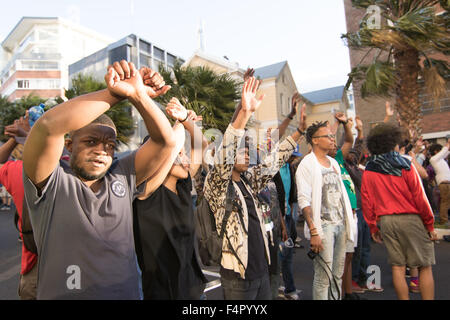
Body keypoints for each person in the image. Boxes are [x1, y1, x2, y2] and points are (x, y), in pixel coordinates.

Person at [22, 61, 176, 299]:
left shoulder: (122, 174)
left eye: (110, 145)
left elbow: (165, 142)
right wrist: (114, 93)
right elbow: (48, 126)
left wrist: (138, 96)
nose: (102, 151)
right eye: (91, 142)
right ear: (69, 145)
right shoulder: (51, 180)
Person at [203, 76, 305, 300]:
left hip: (262, 272)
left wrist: (299, 133)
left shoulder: (249, 180)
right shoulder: (218, 184)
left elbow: (273, 161)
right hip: (239, 277)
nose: (247, 153)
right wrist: (245, 113)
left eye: (249, 150)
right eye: (241, 149)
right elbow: (226, 153)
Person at [133, 98, 209, 299]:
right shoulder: (145, 192)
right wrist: (177, 126)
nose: (185, 159)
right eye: (179, 154)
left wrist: (186, 121)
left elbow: (202, 144)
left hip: (193, 289)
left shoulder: (183, 186)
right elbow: (170, 146)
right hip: (162, 293)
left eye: (184, 154)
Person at [361, 123, 438, 300]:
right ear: (393, 141)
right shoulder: (405, 164)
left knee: (398, 267)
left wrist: (373, 227)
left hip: (386, 221)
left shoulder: (369, 168)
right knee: (424, 265)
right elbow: (420, 197)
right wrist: (430, 224)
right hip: (412, 219)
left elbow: (367, 201)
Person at [296, 121, 356, 300]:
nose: (332, 139)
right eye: (327, 136)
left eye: (332, 135)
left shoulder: (333, 163)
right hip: (324, 228)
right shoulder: (306, 164)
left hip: (342, 225)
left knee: (337, 274)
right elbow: (304, 200)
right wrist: (314, 231)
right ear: (315, 140)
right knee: (324, 277)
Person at [0, 114, 38, 299]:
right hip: (77, 265)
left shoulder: (17, 171)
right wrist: (33, 136)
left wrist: (15, 140)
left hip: (34, 267)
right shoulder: (69, 169)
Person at [344, 116, 383, 294]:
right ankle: (353, 281)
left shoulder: (359, 169)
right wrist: (349, 128)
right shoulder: (343, 166)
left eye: (355, 154)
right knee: (356, 249)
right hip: (354, 212)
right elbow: (350, 145)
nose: (353, 154)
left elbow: (358, 147)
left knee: (366, 247)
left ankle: (364, 279)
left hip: (365, 212)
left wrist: (360, 131)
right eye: (350, 153)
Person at [429, 139, 450, 227]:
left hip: (447, 183)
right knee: (445, 202)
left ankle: (445, 219)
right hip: (444, 184)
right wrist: (448, 143)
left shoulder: (440, 159)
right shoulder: (433, 159)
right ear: (436, 151)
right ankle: (444, 220)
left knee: (446, 202)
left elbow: (446, 152)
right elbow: (444, 151)